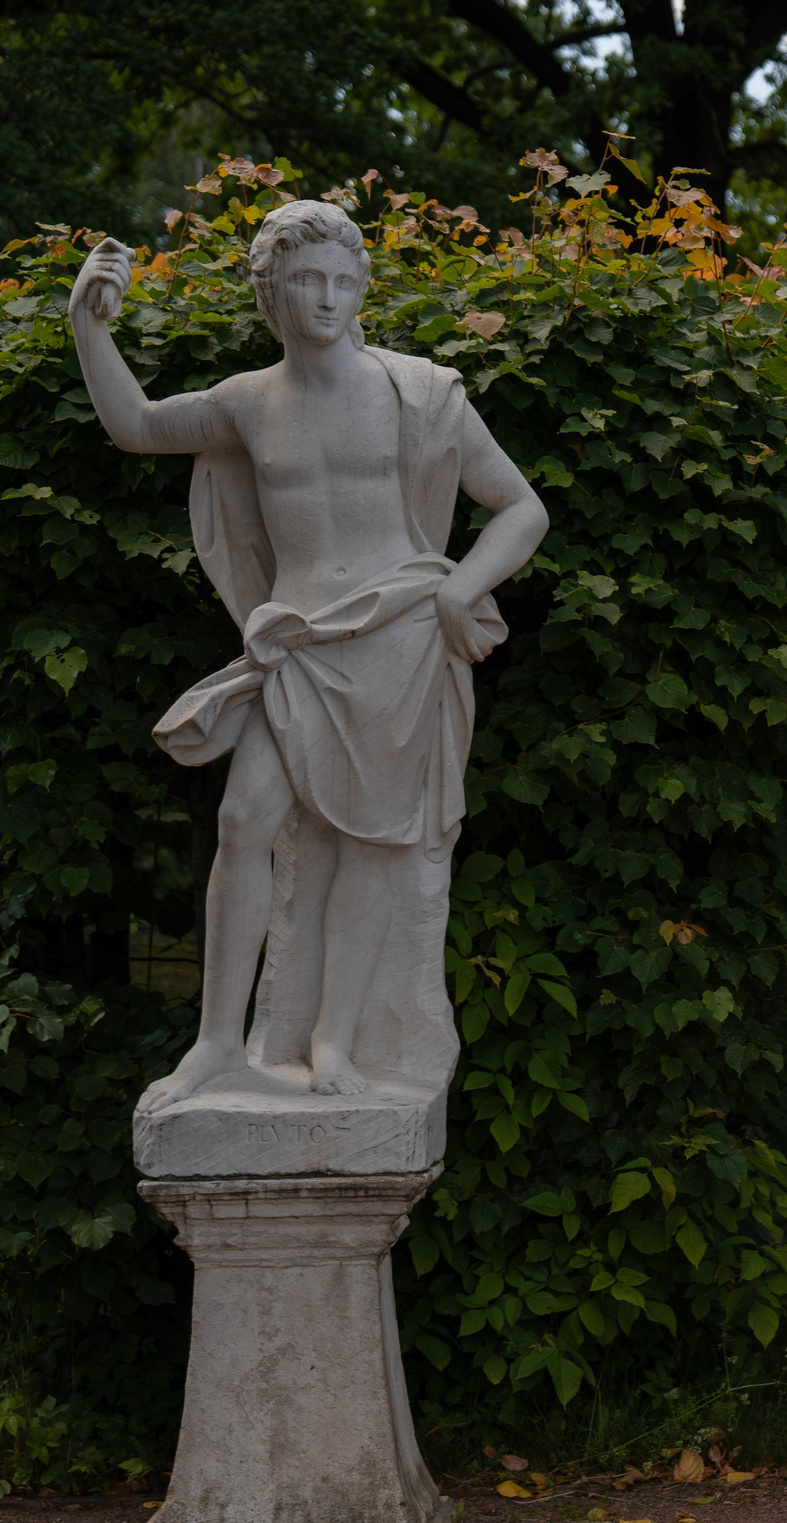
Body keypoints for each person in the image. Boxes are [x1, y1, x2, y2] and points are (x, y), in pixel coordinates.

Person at [70, 203, 548, 1110]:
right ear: (272, 294)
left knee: (372, 843)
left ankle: (334, 1041)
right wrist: (87, 326)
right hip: (295, 647)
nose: (327, 298)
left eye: (342, 281)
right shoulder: (250, 403)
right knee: (246, 820)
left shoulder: (421, 391)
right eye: (306, 282)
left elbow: (521, 507)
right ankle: (218, 1041)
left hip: (398, 639)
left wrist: (457, 588)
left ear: (362, 288)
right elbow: (134, 424)